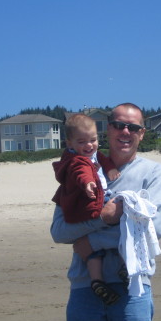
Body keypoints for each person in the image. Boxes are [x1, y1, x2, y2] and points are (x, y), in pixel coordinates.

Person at [50, 103, 161, 321]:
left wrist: (91, 242)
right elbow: (59, 231)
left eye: (133, 127)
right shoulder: (76, 170)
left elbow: (151, 230)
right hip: (84, 286)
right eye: (119, 125)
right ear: (108, 129)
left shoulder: (153, 174)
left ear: (142, 134)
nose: (125, 132)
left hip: (134, 286)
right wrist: (104, 218)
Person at [52, 114, 121, 305]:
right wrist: (89, 182)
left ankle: (97, 280)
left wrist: (110, 169)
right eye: (82, 142)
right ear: (70, 143)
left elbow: (104, 160)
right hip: (93, 199)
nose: (89, 145)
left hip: (96, 197)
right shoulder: (77, 160)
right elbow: (80, 173)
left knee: (91, 249)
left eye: (93, 140)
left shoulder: (94, 154)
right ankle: (104, 275)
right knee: (119, 219)